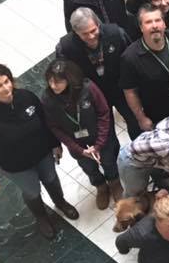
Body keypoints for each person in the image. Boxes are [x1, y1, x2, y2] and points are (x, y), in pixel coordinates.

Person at [0, 62, 79, 240]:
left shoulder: (26, 97)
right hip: (16, 165)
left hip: (42, 153)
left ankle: (60, 202)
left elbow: (46, 122)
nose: (6, 88)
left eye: (6, 81)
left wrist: (55, 144)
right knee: (32, 192)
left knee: (51, 179)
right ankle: (41, 217)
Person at [42, 59, 122, 210]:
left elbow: (104, 113)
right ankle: (101, 187)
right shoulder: (48, 99)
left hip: (101, 137)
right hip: (77, 145)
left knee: (109, 161)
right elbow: (54, 127)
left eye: (58, 82)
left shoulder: (88, 88)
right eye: (50, 81)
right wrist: (79, 150)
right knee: (89, 167)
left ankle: (114, 183)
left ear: (69, 78)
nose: (53, 86)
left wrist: (98, 144)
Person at [57, 8, 138, 138]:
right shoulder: (65, 47)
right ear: (75, 32)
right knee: (105, 134)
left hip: (121, 88)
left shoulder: (116, 33)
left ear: (98, 24)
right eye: (84, 34)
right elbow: (65, 76)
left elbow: (132, 58)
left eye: (93, 30)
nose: (90, 36)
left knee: (136, 122)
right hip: (93, 95)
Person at [120, 4, 169, 133]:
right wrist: (141, 118)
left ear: (164, 24)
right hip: (158, 114)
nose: (154, 25)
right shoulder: (130, 57)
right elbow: (130, 91)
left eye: (158, 20)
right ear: (141, 27)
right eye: (148, 22)